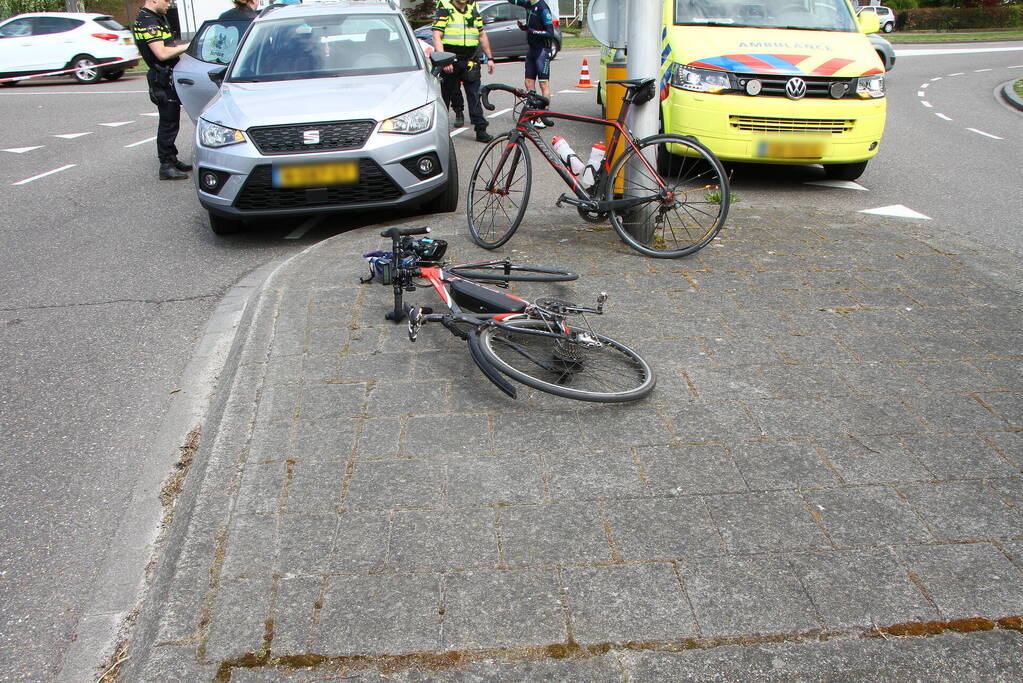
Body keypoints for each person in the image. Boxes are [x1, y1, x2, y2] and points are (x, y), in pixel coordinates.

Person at [133, 0, 192, 180]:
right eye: (166, 0)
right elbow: (162, 53)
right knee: (168, 122)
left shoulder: (155, 17)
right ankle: (166, 165)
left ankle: (172, 159)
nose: (169, 3)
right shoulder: (148, 22)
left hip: (165, 76)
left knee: (172, 119)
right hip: (162, 78)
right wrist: (190, 45)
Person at [431, 0, 495, 143]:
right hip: (451, 61)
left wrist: (490, 58)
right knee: (445, 98)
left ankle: (480, 129)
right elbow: (437, 36)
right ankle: (439, 133)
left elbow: (482, 35)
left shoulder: (472, 10)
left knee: (474, 95)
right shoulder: (445, 9)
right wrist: (444, 60)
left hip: (470, 61)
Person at [510, 0, 557, 127]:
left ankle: (543, 115)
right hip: (532, 49)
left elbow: (550, 32)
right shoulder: (529, 4)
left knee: (543, 84)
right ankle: (533, 112)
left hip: (542, 50)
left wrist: (533, 31)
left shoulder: (543, 7)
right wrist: (525, 28)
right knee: (528, 82)